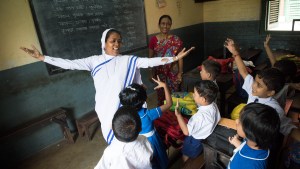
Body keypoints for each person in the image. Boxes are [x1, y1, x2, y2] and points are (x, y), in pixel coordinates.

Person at [20, 28, 195, 144]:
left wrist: (174, 58)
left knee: (132, 140)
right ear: (104, 43)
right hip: (106, 110)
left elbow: (150, 61)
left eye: (119, 40)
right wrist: (43, 58)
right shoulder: (94, 61)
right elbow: (70, 63)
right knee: (114, 141)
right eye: (113, 41)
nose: (117, 44)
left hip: (127, 108)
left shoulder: (128, 60)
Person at [224, 38, 296, 137]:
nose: (253, 85)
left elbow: (288, 128)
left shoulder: (274, 109)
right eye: (255, 81)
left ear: (271, 93)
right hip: (247, 130)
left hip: (257, 138)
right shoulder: (255, 91)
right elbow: (244, 72)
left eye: (259, 85)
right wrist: (235, 53)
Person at [119, 76, 171, 169]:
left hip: (137, 143)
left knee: (147, 162)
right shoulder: (148, 114)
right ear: (143, 100)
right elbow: (168, 104)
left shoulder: (124, 115)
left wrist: (141, 91)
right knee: (159, 160)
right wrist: (165, 86)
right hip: (152, 141)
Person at [175, 80, 221, 162]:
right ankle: (183, 142)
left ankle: (186, 163)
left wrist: (178, 115)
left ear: (203, 99)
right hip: (205, 134)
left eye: (195, 94)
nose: (193, 95)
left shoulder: (199, 117)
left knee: (186, 153)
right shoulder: (213, 105)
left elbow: (186, 131)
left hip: (194, 140)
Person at [227, 103, 281, 169]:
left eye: (240, 122)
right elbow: (249, 150)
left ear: (250, 133)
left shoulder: (250, 166)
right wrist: (237, 143)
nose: (236, 120)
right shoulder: (259, 141)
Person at [149, 14, 183, 106]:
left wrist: (180, 73)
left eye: (168, 24)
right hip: (159, 74)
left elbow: (180, 57)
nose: (165, 26)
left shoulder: (176, 40)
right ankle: (163, 116)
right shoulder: (153, 40)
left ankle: (173, 116)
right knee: (161, 95)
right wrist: (150, 73)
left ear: (170, 25)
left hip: (173, 73)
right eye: (163, 23)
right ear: (159, 25)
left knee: (173, 95)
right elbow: (150, 58)